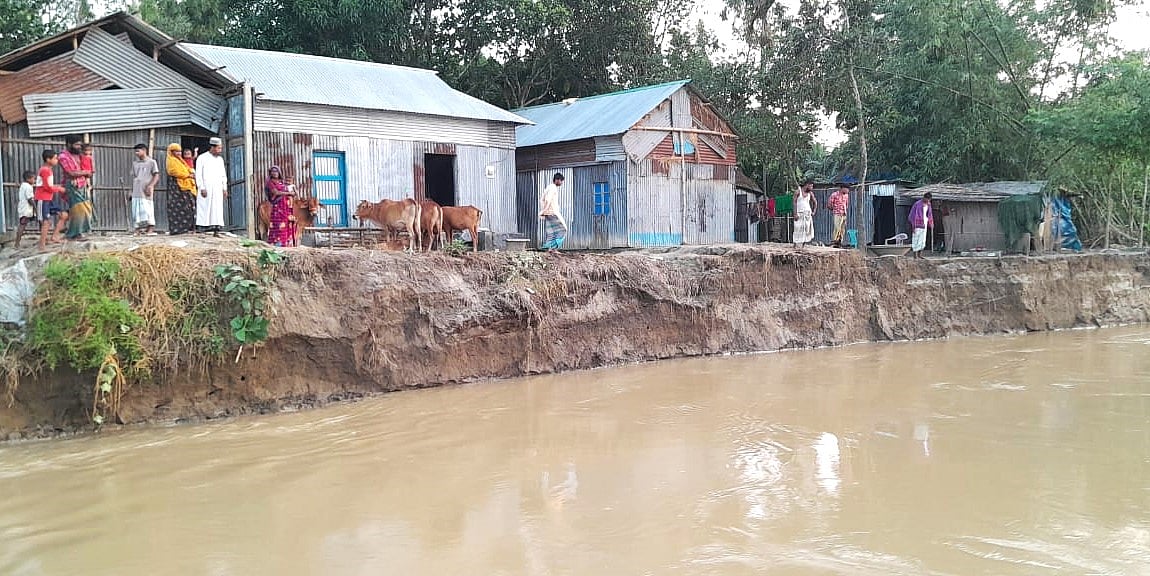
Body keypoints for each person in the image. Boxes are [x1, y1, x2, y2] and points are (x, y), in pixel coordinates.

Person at [59, 134, 92, 241]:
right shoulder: (63, 156)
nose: (79, 146)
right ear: (69, 144)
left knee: (86, 208)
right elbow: (70, 173)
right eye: (76, 144)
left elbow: (88, 169)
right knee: (78, 209)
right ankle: (75, 234)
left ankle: (79, 231)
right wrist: (86, 172)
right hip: (72, 185)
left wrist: (86, 173)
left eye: (79, 144)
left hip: (82, 184)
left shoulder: (79, 155)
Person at [34, 149, 67, 250]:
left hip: (48, 198)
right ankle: (42, 244)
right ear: (48, 159)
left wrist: (57, 187)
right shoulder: (45, 170)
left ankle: (54, 236)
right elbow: (47, 187)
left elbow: (48, 186)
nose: (57, 160)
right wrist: (59, 188)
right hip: (42, 199)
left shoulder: (48, 170)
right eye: (55, 158)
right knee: (46, 222)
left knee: (64, 215)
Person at [195, 137, 228, 237]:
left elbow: (223, 175)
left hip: (218, 188)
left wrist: (224, 188)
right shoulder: (202, 158)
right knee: (204, 206)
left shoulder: (220, 160)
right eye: (218, 148)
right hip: (206, 188)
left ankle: (216, 229)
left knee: (217, 208)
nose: (220, 150)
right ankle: (202, 228)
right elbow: (198, 174)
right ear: (212, 147)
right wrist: (201, 187)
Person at [165, 143, 198, 235]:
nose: (179, 153)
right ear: (171, 152)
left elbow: (187, 169)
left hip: (186, 186)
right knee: (179, 207)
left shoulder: (181, 161)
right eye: (176, 151)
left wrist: (190, 173)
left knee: (190, 207)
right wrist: (188, 175)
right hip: (177, 188)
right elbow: (174, 171)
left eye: (180, 151)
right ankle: (178, 229)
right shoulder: (171, 161)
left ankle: (189, 228)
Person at [130, 143, 160, 235]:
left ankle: (150, 228)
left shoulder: (152, 162)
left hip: (146, 189)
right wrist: (130, 190)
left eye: (138, 151)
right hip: (136, 189)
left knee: (148, 208)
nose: (136, 153)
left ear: (144, 150)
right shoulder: (135, 163)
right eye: (135, 151)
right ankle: (137, 229)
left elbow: (156, 175)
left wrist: (151, 186)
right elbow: (134, 177)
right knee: (136, 209)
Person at [264, 165, 297, 247]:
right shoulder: (270, 182)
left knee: (287, 224)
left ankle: (287, 245)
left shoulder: (281, 182)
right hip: (278, 208)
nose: (274, 173)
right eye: (273, 171)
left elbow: (289, 190)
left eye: (276, 171)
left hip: (286, 207)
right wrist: (289, 193)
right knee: (278, 226)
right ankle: (277, 245)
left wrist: (292, 194)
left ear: (279, 172)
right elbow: (276, 193)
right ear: (270, 173)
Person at [538, 172, 567, 252]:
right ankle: (553, 249)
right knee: (563, 229)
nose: (561, 183)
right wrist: (544, 210)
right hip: (552, 212)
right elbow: (547, 199)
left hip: (548, 213)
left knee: (551, 231)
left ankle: (548, 248)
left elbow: (543, 199)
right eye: (561, 181)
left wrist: (544, 211)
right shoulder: (552, 188)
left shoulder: (548, 187)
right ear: (557, 180)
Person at [14, 170, 37, 249]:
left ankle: (17, 243)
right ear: (28, 179)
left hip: (24, 208)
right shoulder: (28, 187)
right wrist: (35, 208)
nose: (34, 180)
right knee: (22, 225)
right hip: (26, 209)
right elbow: (30, 199)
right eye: (33, 179)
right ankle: (17, 244)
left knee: (23, 224)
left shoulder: (23, 185)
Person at [909, 192, 934, 258]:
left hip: (924, 223)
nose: (928, 201)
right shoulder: (917, 204)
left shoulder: (928, 204)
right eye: (927, 199)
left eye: (929, 200)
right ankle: (915, 255)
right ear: (924, 197)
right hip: (917, 224)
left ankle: (920, 254)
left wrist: (931, 222)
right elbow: (912, 215)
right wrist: (913, 226)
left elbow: (930, 214)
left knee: (922, 239)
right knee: (916, 239)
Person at [793, 179, 817, 248]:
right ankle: (795, 245)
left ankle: (803, 245)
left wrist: (814, 211)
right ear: (807, 185)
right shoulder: (797, 192)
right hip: (799, 213)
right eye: (811, 186)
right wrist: (795, 214)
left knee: (806, 229)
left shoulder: (810, 193)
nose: (812, 188)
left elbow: (815, 202)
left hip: (807, 214)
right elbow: (794, 203)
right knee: (797, 228)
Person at [828, 184, 850, 248]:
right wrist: (835, 209)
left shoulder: (846, 195)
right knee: (837, 228)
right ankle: (833, 241)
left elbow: (846, 204)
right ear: (842, 188)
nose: (847, 190)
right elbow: (829, 204)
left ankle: (839, 242)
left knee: (842, 229)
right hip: (837, 213)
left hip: (844, 214)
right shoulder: (834, 194)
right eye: (846, 189)